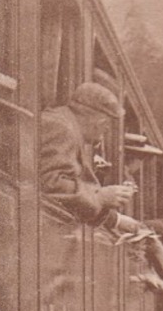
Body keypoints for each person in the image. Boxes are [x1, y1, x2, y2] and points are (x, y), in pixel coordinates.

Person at [39, 82, 137, 231]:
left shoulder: (64, 123)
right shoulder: (62, 129)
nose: (107, 129)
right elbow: (49, 182)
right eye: (108, 124)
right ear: (100, 121)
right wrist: (100, 196)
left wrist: (114, 219)